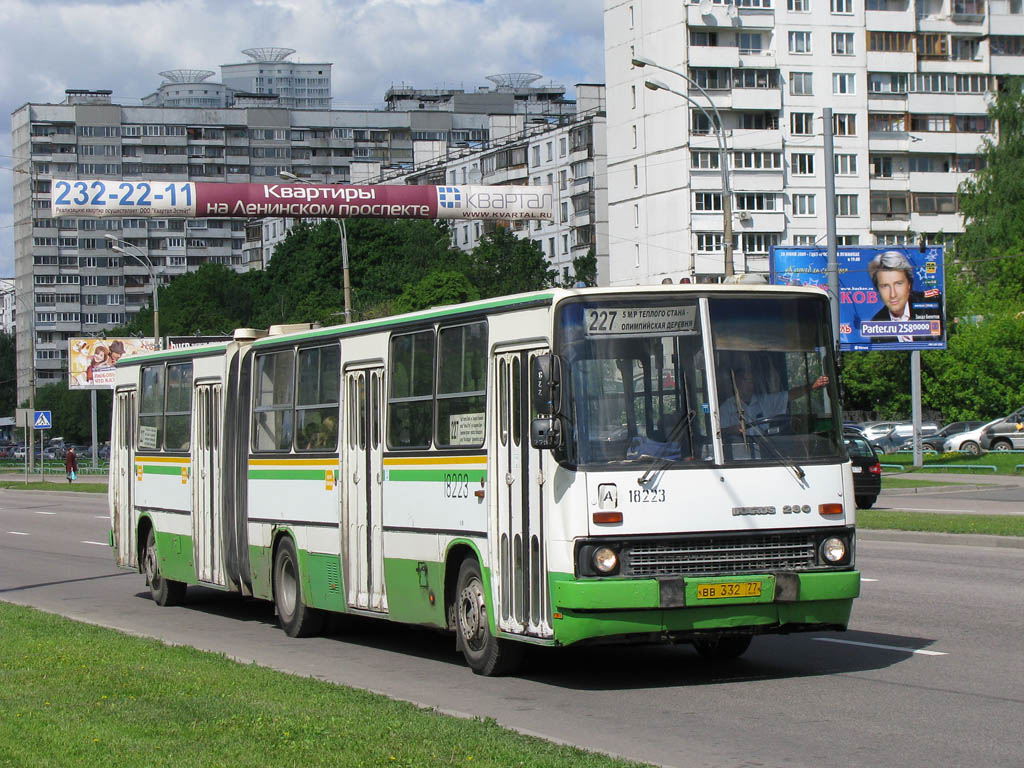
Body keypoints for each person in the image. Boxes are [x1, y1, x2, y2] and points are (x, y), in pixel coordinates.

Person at [863, 251, 944, 343]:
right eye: (885, 286)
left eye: (898, 284)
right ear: (878, 289)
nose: (893, 295)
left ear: (909, 284)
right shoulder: (876, 322)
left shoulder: (930, 304)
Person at [719, 366, 828, 430]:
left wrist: (812, 386)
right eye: (746, 380)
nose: (750, 384)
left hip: (768, 452)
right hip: (738, 457)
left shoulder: (764, 402)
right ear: (736, 382)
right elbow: (721, 433)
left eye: (752, 381)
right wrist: (733, 431)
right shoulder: (726, 408)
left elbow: (789, 395)